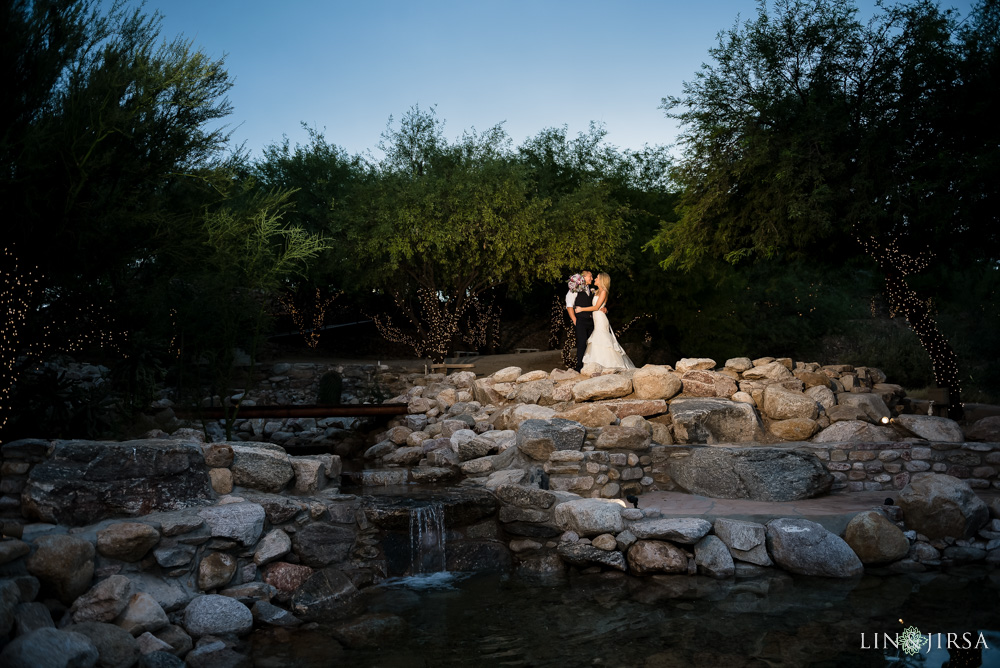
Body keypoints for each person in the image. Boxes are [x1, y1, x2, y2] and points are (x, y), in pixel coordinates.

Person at [574, 272, 635, 370]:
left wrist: (581, 309)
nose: (594, 279)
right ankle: (597, 365)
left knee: (602, 340)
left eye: (597, 278)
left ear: (602, 280)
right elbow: (599, 305)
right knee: (598, 341)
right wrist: (605, 308)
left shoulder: (604, 292)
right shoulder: (597, 291)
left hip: (601, 320)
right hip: (596, 319)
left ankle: (608, 365)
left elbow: (597, 307)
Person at [565, 271, 595, 372]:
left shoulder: (590, 290)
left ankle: (591, 365)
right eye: (590, 276)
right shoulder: (574, 290)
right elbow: (569, 306)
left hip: (591, 321)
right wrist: (575, 320)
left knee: (592, 343)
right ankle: (579, 367)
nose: (592, 278)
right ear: (583, 277)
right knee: (582, 343)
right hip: (580, 320)